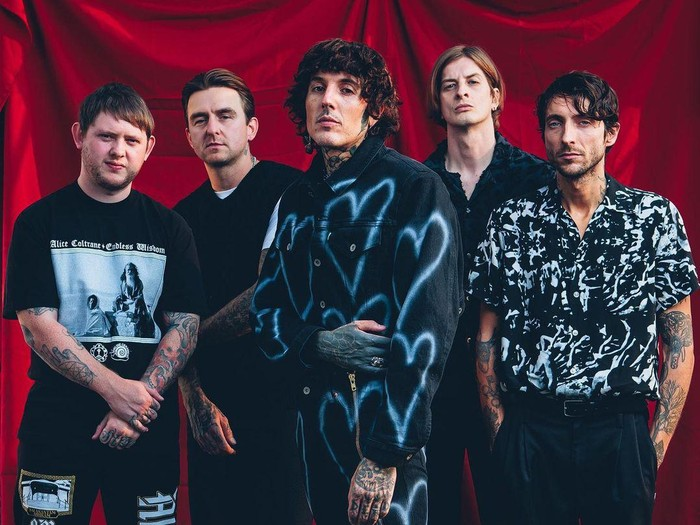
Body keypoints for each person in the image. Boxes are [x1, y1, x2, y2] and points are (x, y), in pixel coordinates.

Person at [468, 71, 697, 524]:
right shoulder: (511, 221)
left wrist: (650, 450)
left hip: (619, 430)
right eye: (555, 123)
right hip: (532, 430)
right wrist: (502, 435)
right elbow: (485, 337)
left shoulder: (653, 218)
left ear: (611, 133)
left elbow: (680, 342)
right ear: (543, 134)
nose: (568, 136)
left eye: (584, 121)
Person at [251, 39, 463, 525]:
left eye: (347, 90)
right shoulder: (296, 201)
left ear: (374, 111)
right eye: (317, 88)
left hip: (382, 435)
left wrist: (386, 453)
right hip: (312, 432)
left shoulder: (414, 189)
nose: (327, 100)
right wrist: (319, 342)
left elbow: (428, 330)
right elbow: (265, 314)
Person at [4, 82, 206, 524]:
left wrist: (136, 408)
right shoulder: (39, 222)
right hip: (57, 424)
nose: (118, 151)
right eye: (106, 136)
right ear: (79, 135)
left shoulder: (171, 228)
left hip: (146, 429)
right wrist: (117, 392)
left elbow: (185, 325)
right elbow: (38, 326)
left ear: (148, 148)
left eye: (132, 140)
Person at [423, 45, 553, 524]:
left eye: (473, 82)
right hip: (435, 380)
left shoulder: (537, 180)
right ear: (438, 103)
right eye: (449, 85)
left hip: (515, 380)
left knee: (514, 509)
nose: (461, 92)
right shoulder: (419, 183)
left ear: (495, 95)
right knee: (433, 509)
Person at [174, 68, 310, 525]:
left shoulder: (291, 191)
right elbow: (174, 316)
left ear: (251, 127)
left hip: (283, 403)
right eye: (200, 119)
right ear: (188, 136)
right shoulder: (180, 219)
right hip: (210, 406)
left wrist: (188, 341)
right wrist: (193, 397)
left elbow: (270, 295)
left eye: (225, 115)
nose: (212, 128)